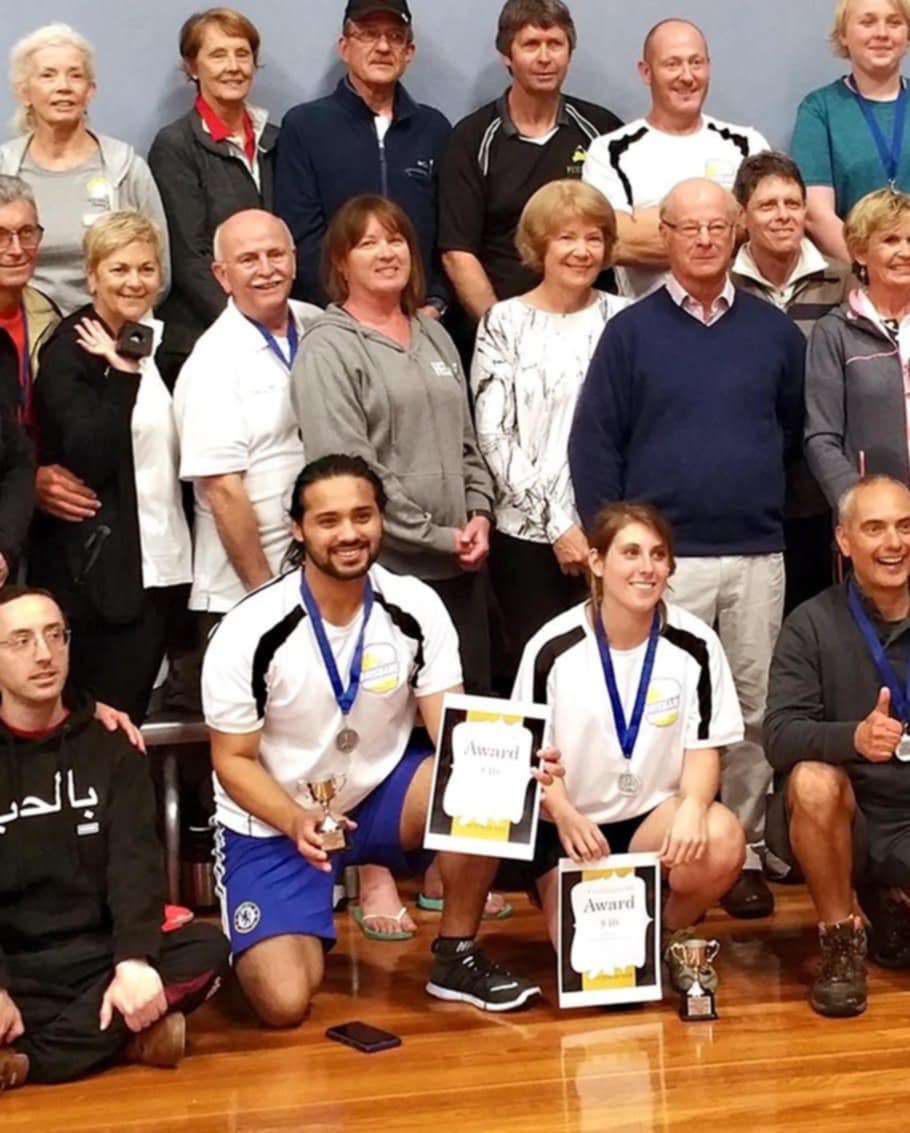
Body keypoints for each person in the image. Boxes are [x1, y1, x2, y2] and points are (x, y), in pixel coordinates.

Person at [204, 454, 554, 1024]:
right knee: (283, 1004)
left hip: (375, 797)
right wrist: (295, 820)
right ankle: (279, 923)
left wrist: (517, 763)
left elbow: (455, 734)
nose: (349, 533)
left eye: (362, 516)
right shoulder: (250, 629)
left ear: (381, 519)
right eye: (328, 520)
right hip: (275, 820)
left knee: (488, 783)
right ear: (298, 529)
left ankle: (456, 955)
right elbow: (232, 761)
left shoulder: (414, 604)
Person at [568, 178, 806, 920]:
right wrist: (616, 547)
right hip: (661, 566)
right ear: (663, 236)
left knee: (752, 711)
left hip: (755, 551)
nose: (704, 239)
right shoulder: (630, 332)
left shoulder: (773, 331)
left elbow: (792, 434)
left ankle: (740, 853)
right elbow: (594, 442)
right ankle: (664, 850)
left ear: (736, 232)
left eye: (716, 227)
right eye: (687, 228)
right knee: (665, 712)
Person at [0, 586, 228, 1092]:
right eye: (21, 641)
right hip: (15, 961)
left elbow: (135, 864)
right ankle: (126, 1037)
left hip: (97, 955)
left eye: (55, 635)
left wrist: (133, 961)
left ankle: (27, 1062)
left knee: (207, 947)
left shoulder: (112, 746)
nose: (44, 654)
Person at [513, 502, 745, 986]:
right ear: (597, 562)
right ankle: (570, 897)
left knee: (722, 837)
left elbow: (705, 747)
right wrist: (565, 815)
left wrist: (693, 807)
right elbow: (532, 760)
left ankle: (668, 935)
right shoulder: (550, 648)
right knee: (599, 978)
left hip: (650, 821)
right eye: (631, 553)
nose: (647, 567)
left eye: (658, 555)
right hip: (572, 828)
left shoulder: (696, 644)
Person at [291, 195, 494, 691]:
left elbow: (467, 441)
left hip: (463, 568)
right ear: (341, 262)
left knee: (465, 718)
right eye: (368, 244)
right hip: (384, 573)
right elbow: (348, 475)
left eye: (396, 240)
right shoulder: (327, 347)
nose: (386, 253)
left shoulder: (434, 334)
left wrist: (479, 514)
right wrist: (434, 536)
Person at [29, 211, 192, 724]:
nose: (134, 282)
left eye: (146, 268)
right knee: (105, 727)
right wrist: (122, 377)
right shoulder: (70, 350)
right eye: (119, 269)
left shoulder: (166, 342)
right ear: (92, 274)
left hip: (167, 567)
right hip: (102, 584)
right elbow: (88, 456)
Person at [764, 475, 910, 1017]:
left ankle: (891, 908)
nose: (893, 543)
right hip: (853, 817)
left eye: (905, 527)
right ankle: (841, 942)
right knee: (812, 780)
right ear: (844, 541)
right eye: (875, 528)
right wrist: (855, 737)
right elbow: (779, 735)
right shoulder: (810, 624)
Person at [471, 179, 627, 674]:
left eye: (594, 238)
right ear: (539, 245)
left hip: (612, 533)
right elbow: (494, 436)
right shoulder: (503, 322)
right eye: (566, 237)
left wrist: (604, 526)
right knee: (540, 673)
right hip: (527, 537)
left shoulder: (624, 319)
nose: (582, 251)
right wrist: (559, 525)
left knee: (612, 672)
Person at [174, 209, 320, 636]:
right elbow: (223, 491)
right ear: (222, 275)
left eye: (276, 254)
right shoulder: (212, 361)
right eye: (248, 259)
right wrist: (267, 600)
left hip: (319, 576)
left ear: (294, 260)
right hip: (243, 593)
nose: (266, 269)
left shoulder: (318, 325)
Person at [438, 0, 621, 322]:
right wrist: (502, 330)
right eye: (531, 45)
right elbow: (458, 253)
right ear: (507, 55)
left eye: (555, 44)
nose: (545, 58)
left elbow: (622, 233)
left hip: (592, 326)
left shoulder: (601, 131)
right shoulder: (471, 139)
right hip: (503, 322)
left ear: (569, 53)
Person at [732, 151, 852, 612]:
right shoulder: (722, 285)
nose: (783, 215)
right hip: (746, 490)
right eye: (768, 205)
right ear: (742, 215)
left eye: (792, 203)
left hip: (821, 491)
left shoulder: (844, 283)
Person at [275, 0, 450, 315]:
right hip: (335, 318)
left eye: (395, 37)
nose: (383, 47)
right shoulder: (304, 126)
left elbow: (449, 231)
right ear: (344, 47)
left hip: (421, 317)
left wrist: (436, 301)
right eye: (368, 34)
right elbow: (300, 235)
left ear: (409, 52)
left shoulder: (434, 129)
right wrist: (349, 311)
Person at [582, 18, 768, 299]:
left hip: (737, 315)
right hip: (646, 319)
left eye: (696, 63)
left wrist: (651, 223)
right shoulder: (608, 152)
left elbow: (766, 229)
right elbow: (615, 241)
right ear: (646, 72)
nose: (687, 76)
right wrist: (730, 224)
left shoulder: (747, 145)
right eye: (672, 64)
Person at [148, 8, 278, 388]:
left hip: (275, 328)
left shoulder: (278, 139)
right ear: (192, 67)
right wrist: (249, 326)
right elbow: (189, 259)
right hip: (203, 338)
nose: (233, 67)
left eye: (242, 54)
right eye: (218, 55)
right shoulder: (175, 146)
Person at [0, 23, 169, 315]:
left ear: (90, 91)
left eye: (75, 75)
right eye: (48, 75)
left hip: (108, 330)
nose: (63, 86)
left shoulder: (126, 169)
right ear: (24, 92)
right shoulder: (4, 168)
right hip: (19, 329)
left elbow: (159, 272)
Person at [806, 188, 910, 509]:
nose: (905, 252)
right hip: (872, 517)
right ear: (860, 252)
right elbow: (821, 438)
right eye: (890, 240)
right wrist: (858, 504)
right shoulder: (833, 332)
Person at [790, 0, 910, 263]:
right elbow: (816, 214)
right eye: (868, 22)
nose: (882, 33)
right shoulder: (819, 110)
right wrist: (871, 269)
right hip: (853, 274)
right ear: (844, 35)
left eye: (894, 22)